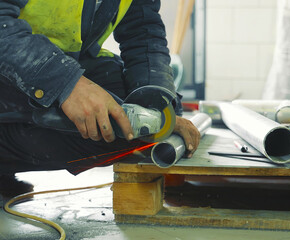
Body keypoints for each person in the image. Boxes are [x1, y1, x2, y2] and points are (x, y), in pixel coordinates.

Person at [0, 0, 200, 197]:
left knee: (127, 124)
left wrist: (155, 106)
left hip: (60, 58)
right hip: (12, 58)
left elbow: (142, 28)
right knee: (107, 126)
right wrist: (67, 84)